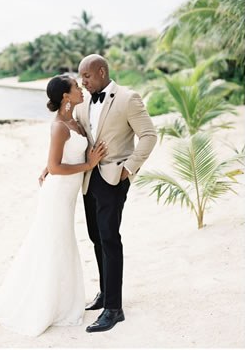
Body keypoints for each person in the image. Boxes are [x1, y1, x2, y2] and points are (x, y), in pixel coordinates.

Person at [0, 75, 107, 337]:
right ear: (66, 97)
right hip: (57, 194)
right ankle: (46, 305)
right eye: (76, 87)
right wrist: (88, 166)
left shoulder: (74, 119)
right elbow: (58, 167)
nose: (80, 88)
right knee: (53, 244)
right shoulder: (59, 126)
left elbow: (55, 160)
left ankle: (61, 301)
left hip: (67, 192)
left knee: (60, 242)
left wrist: (49, 166)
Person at [40, 54, 157, 333]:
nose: (84, 82)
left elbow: (149, 136)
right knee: (95, 237)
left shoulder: (128, 99)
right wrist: (48, 166)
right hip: (87, 179)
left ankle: (114, 309)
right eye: (80, 79)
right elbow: (73, 138)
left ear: (101, 72)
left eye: (88, 77)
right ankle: (105, 293)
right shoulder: (82, 103)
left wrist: (128, 169)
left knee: (109, 238)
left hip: (114, 178)